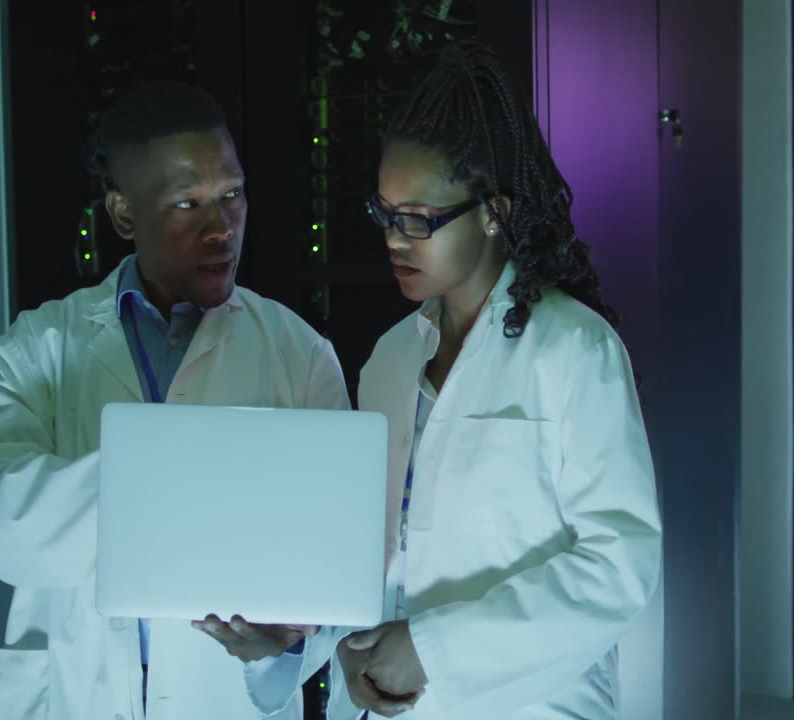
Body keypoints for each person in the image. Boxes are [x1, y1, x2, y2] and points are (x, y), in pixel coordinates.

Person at [221, 41, 663, 719]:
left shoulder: (575, 350)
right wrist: (305, 644)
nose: (394, 239)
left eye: (419, 219)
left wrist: (432, 650)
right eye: (384, 214)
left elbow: (617, 568)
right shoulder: (390, 360)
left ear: (494, 211)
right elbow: (379, 561)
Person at [0, 80, 348, 719]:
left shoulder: (298, 353)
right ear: (124, 214)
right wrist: (158, 479)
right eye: (187, 203)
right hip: (75, 695)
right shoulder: (39, 346)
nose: (221, 227)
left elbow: (337, 563)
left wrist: (283, 647)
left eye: (233, 194)